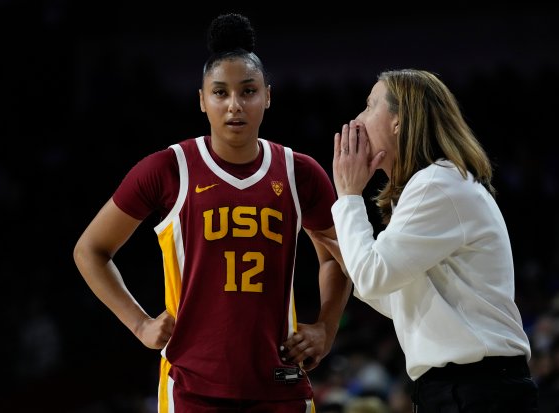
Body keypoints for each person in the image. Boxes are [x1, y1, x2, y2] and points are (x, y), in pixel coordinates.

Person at [73, 13, 352, 413]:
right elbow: (91, 250)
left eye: (248, 91)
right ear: (202, 100)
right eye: (220, 93)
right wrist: (139, 324)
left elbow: (339, 258)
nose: (234, 105)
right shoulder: (168, 168)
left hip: (280, 378)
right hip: (192, 384)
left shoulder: (300, 172)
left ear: (267, 96)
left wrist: (325, 328)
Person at [309, 69, 539, 412]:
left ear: (399, 122)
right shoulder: (431, 185)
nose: (357, 118)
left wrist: (348, 194)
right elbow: (394, 297)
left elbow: (373, 277)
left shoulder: (438, 183)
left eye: (370, 106)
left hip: (477, 389)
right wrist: (328, 237)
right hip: (457, 389)